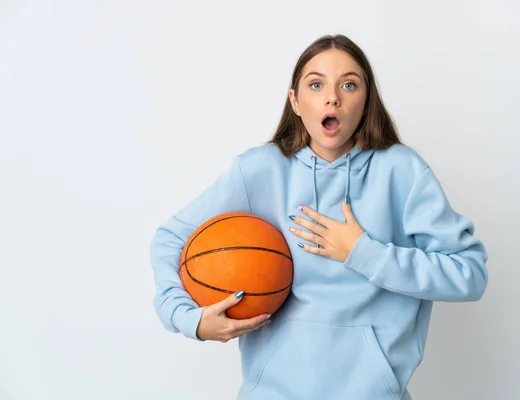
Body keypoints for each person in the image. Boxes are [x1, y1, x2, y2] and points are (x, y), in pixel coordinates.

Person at [150, 34, 488, 400]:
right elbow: (171, 240)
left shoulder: (401, 172)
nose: (333, 97)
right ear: (295, 101)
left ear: (366, 100)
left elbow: (469, 274)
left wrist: (364, 252)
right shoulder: (259, 170)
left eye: (349, 84)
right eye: (316, 84)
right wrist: (189, 319)